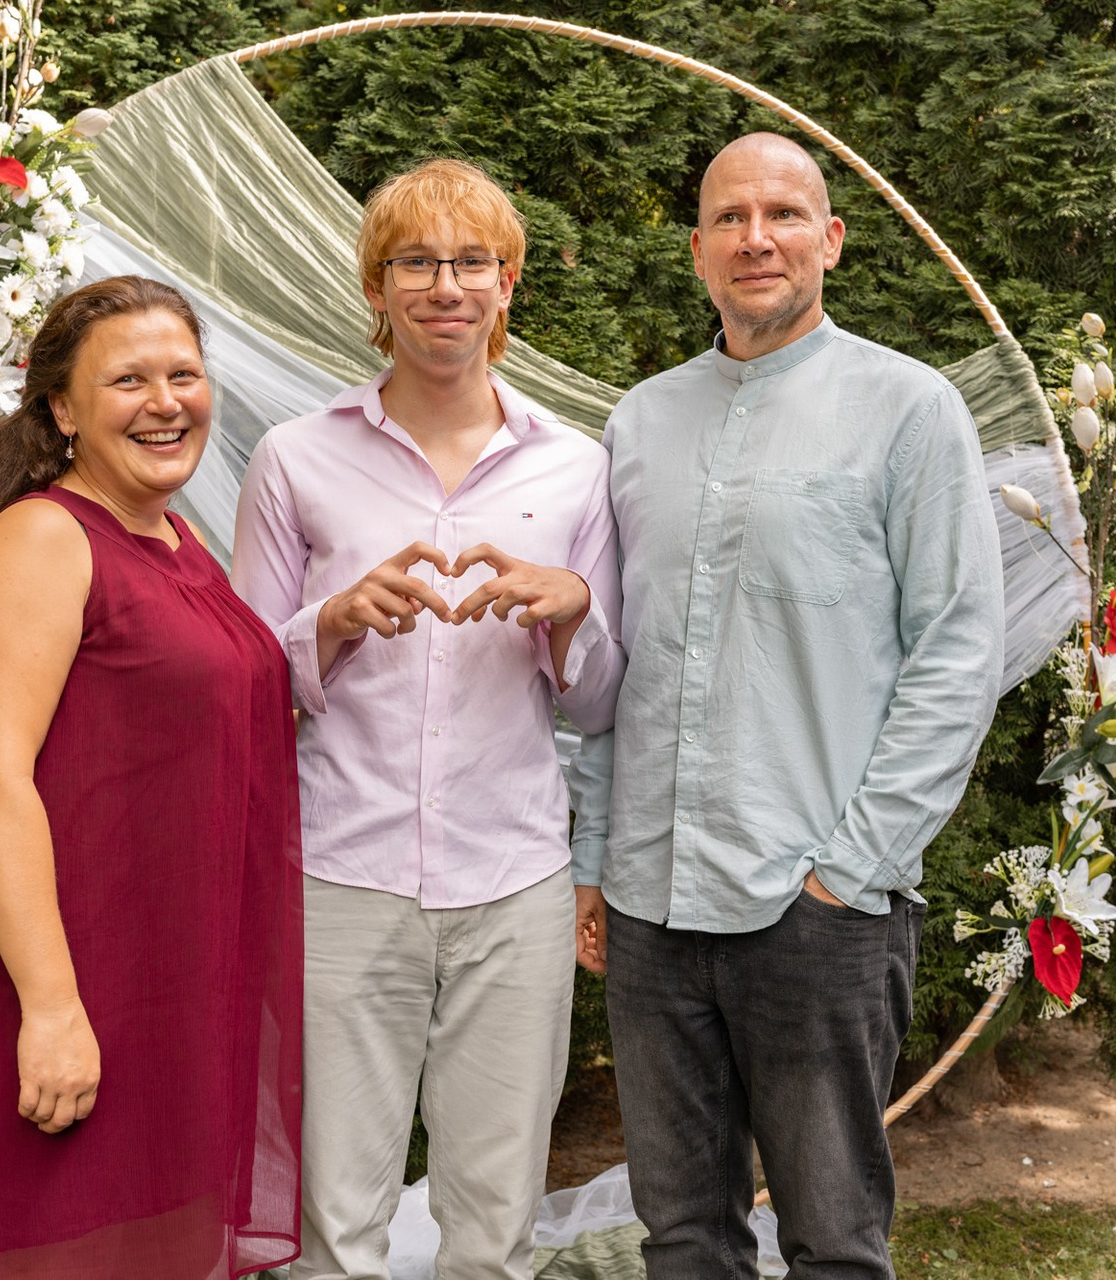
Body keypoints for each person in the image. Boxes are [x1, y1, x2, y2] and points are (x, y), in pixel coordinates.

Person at [568, 133, 1006, 1279]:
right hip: (653, 903)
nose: (756, 237)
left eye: (783, 213)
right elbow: (612, 659)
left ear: (832, 239)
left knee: (834, 1244)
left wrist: (851, 870)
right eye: (730, 217)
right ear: (697, 251)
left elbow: (958, 651)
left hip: (817, 907)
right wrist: (594, 857)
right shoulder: (639, 422)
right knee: (683, 1237)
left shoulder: (909, 410)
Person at [231, 157, 625, 1280]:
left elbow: (602, 701)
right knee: (334, 1225)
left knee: (495, 1225)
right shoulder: (296, 458)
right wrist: (330, 622)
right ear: (377, 286)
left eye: (471, 263)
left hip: (515, 883)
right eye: (416, 262)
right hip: (343, 878)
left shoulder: (577, 468)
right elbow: (239, 685)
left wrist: (572, 608)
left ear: (508, 285)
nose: (446, 285)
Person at [0, 276, 303, 1280]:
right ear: (63, 409)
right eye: (128, 380)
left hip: (177, 974)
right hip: (84, 975)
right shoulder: (45, 537)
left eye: (184, 374)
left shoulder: (179, 538)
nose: (166, 401)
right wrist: (51, 1009)